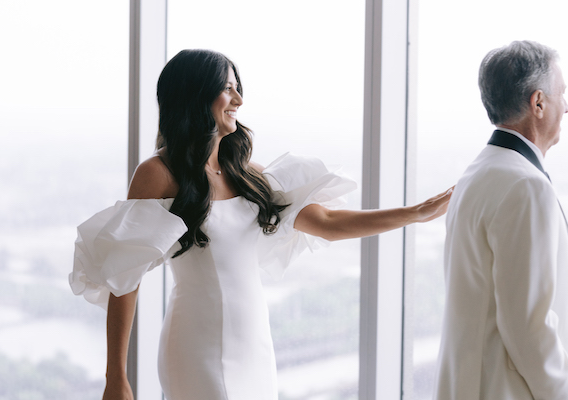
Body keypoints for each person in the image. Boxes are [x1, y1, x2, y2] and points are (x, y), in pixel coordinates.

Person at [69, 49, 452, 400]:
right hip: (195, 347)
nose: (238, 100)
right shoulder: (159, 174)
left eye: (238, 89)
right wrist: (115, 377)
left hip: (255, 345)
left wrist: (414, 213)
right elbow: (125, 279)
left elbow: (329, 222)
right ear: (195, 94)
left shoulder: (246, 174)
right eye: (228, 89)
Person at [434, 40, 568, 399]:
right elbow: (529, 327)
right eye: (562, 93)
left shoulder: (478, 172)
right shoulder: (526, 186)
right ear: (538, 103)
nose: (567, 106)